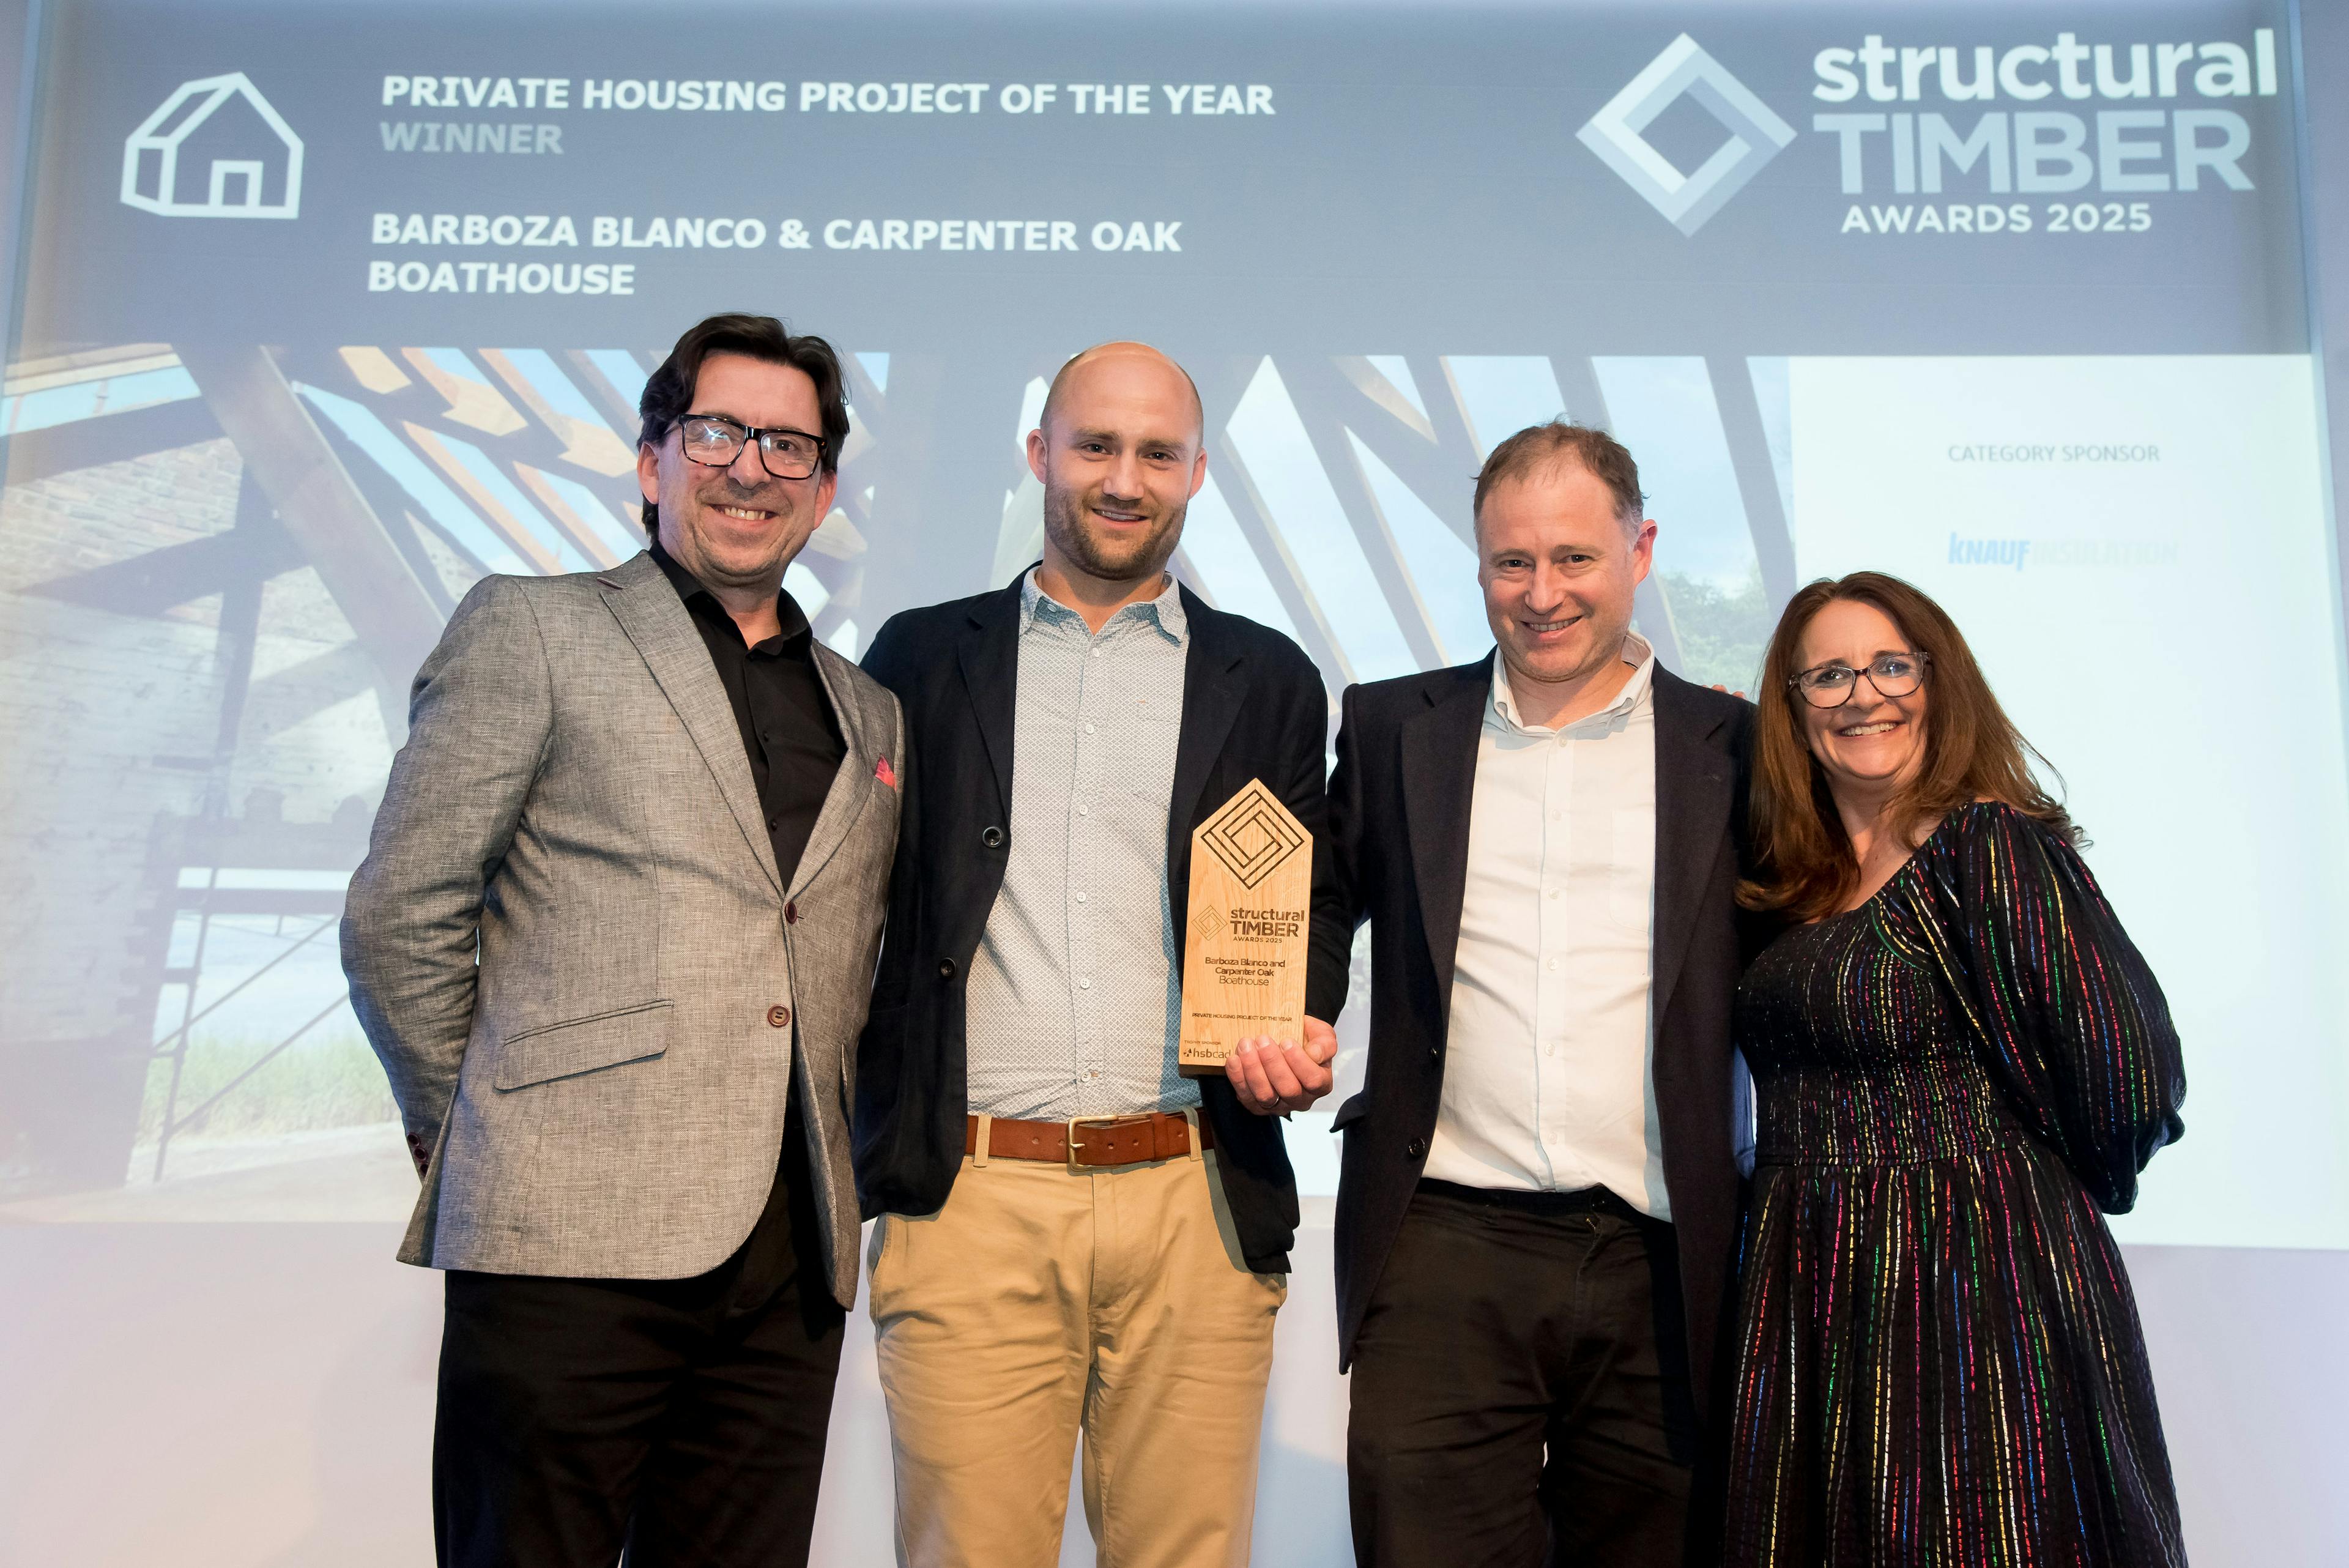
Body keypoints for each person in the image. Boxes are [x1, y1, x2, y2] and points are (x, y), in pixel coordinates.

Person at [342, 313, 902, 1568]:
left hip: (789, 1267)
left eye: (789, 445)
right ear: (650, 459)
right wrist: (477, 1118)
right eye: (715, 433)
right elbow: (402, 908)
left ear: (822, 488)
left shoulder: (873, 713)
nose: (750, 467)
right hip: (565, 1240)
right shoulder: (533, 628)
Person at [855, 341, 1351, 1568]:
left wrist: (1303, 1018)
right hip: (972, 1198)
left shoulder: (1272, 677)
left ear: (1195, 472)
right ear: (1041, 453)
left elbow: (1306, 895)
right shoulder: (918, 655)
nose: (1124, 479)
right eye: (1095, 445)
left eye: (1157, 453)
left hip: (1193, 1195)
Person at [1327, 421, 1754, 1567]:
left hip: (1667, 1263)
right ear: (1479, 567)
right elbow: (1316, 906)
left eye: (1574, 558)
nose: (1542, 592)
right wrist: (1285, 1018)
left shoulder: (1745, 749)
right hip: (1443, 1246)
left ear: (1640, 549)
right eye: (1512, 562)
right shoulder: (1391, 729)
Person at [1724, 571, 2186, 1566]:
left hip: (1971, 1282)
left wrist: (2010, 1183)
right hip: (1807, 1275)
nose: (1864, 696)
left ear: (1940, 680)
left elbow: (2130, 1069)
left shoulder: (1989, 846)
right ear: (1793, 710)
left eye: (1892, 665)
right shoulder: (1787, 881)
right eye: (1829, 676)